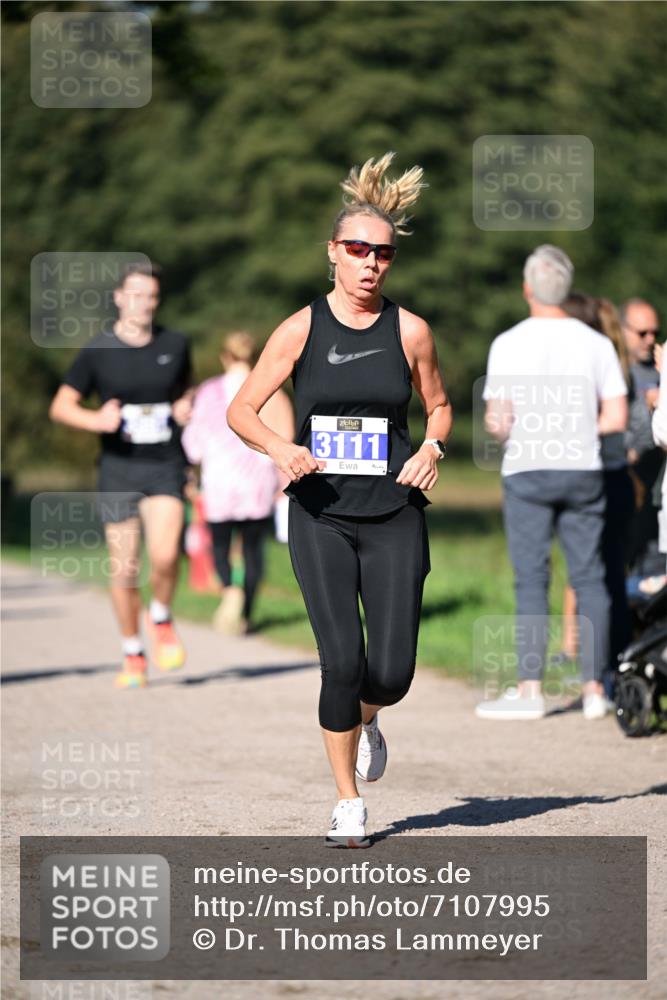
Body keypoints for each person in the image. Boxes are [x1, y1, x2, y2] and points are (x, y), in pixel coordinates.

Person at [227, 153, 452, 846]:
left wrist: (430, 448)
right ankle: (347, 801)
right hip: (319, 512)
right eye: (356, 249)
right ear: (333, 253)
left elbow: (439, 407)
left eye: (380, 253)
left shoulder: (409, 331)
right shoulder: (300, 329)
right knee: (341, 660)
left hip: (393, 515)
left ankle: (370, 717)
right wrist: (279, 448)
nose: (369, 263)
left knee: (393, 670)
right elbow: (241, 409)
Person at [476, 246, 627, 722]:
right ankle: (596, 690)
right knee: (591, 577)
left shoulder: (507, 343)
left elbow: (499, 424)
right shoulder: (597, 344)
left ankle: (530, 690)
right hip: (584, 470)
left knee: (532, 580)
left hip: (526, 471)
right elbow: (617, 417)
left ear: (527, 288)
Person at [49, 262, 194, 688]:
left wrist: (185, 404)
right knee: (124, 569)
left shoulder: (175, 343)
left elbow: (185, 389)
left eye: (150, 295)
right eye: (135, 294)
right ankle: (133, 651)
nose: (143, 303)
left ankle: (161, 618)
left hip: (165, 464)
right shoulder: (97, 351)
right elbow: (61, 406)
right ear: (117, 297)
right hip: (119, 469)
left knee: (166, 556)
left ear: (157, 299)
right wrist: (97, 421)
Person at [182, 331, 294, 634]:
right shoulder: (272, 393)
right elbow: (286, 438)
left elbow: (193, 442)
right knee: (253, 549)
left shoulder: (208, 392)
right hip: (257, 484)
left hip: (219, 482)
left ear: (224, 357)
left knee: (219, 546)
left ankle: (230, 588)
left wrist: (192, 472)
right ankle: (245, 615)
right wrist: (284, 485)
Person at [554, 294, 634, 697]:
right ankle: (603, 672)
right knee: (599, 577)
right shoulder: (609, 363)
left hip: (599, 477)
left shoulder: (594, 367)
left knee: (596, 577)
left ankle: (603, 672)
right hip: (605, 478)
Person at [621, 298, 663, 573]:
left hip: (656, 486)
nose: (650, 340)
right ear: (623, 329)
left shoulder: (663, 371)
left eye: (655, 333)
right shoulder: (613, 370)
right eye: (642, 333)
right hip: (621, 482)